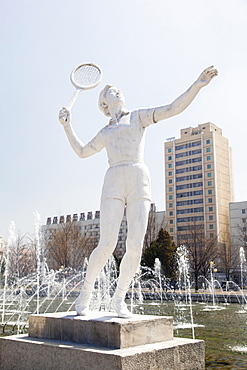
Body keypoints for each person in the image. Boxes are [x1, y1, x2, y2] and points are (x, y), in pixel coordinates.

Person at [59, 66, 218, 318]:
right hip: (113, 179)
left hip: (138, 177)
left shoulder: (138, 117)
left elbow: (172, 108)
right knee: (107, 243)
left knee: (135, 244)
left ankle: (119, 298)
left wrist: (197, 84)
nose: (117, 91)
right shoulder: (106, 131)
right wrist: (67, 126)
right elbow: (82, 152)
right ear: (104, 104)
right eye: (111, 91)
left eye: (117, 89)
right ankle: (85, 293)